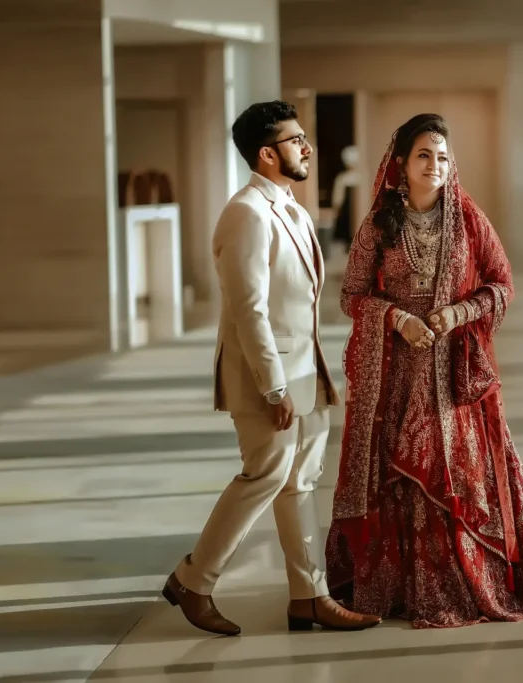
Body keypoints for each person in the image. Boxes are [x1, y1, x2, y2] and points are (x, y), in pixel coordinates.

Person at [326, 113, 523, 628]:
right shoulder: (379, 225)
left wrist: (457, 314)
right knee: (402, 471)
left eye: (443, 157)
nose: (435, 165)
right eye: (424, 155)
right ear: (401, 164)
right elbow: (351, 295)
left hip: (455, 375)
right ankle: (402, 586)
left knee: (459, 471)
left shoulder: (469, 220)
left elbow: (501, 284)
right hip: (398, 374)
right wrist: (398, 319)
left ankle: (468, 577)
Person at [162, 100, 381, 635]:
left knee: (300, 481)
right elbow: (248, 309)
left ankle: (310, 597)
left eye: (304, 138)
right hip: (269, 376)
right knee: (265, 475)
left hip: (306, 368)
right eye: (295, 139)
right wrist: (274, 386)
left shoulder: (293, 209)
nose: (307, 147)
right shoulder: (247, 212)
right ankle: (193, 579)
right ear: (266, 153)